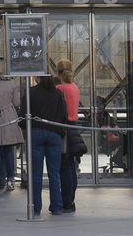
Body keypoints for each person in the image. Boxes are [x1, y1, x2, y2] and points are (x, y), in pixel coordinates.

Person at [20, 74, 67, 216]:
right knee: (54, 172)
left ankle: (35, 207)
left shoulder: (31, 92)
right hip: (54, 134)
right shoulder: (58, 94)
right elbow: (64, 115)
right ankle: (57, 206)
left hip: (36, 133)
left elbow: (22, 116)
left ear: (37, 78)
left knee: (36, 172)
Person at [54, 59, 80, 212]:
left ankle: (66, 200)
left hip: (63, 128)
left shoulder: (60, 88)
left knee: (64, 166)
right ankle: (71, 200)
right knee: (71, 166)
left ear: (57, 72)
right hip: (74, 127)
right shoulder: (75, 87)